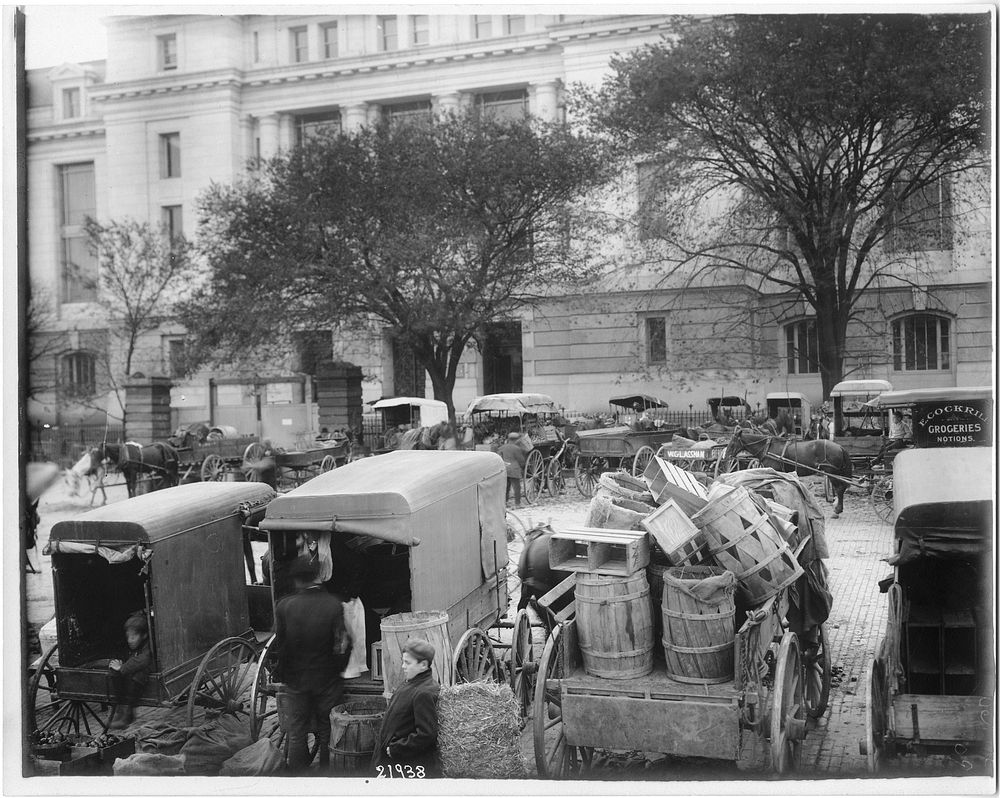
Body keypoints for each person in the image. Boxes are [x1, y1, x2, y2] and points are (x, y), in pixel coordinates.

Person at [272, 556, 351, 773]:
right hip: (327, 679)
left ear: (296, 580)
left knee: (297, 731)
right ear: (318, 575)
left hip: (296, 680)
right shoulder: (333, 605)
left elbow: (280, 646)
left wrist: (286, 674)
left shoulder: (284, 606)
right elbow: (343, 644)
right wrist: (338, 670)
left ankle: (299, 777)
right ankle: (326, 775)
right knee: (327, 730)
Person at [372, 639, 440, 777]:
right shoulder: (411, 683)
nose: (403, 666)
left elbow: (426, 734)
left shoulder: (424, 693)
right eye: (403, 661)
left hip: (405, 765)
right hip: (392, 759)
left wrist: (396, 749)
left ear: (423, 665)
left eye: (407, 663)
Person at [108, 611, 153, 729]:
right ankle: (120, 709)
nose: (130, 640)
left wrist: (122, 667)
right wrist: (118, 666)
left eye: (134, 636)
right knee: (115, 672)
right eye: (128, 636)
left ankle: (129, 712)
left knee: (139, 675)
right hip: (134, 668)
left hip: (150, 669)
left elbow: (144, 659)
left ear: (144, 636)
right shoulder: (133, 645)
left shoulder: (149, 645)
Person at [497, 432, 528, 508]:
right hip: (514, 470)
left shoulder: (502, 448)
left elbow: (498, 457)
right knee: (517, 487)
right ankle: (517, 504)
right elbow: (521, 460)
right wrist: (523, 467)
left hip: (504, 469)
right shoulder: (516, 448)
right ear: (517, 440)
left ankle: (505, 502)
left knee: (506, 487)